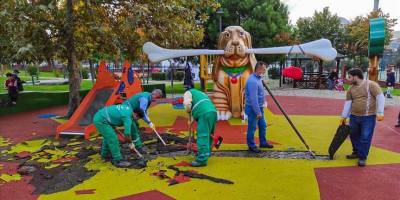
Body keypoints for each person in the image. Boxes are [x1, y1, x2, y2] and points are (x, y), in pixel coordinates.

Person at [340, 68, 385, 167]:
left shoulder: (371, 85)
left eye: (350, 77)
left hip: (368, 117)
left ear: (356, 76)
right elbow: (348, 103)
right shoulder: (351, 89)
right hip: (354, 117)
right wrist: (344, 116)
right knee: (353, 135)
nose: (348, 79)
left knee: (365, 137)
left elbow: (380, 97)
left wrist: (380, 112)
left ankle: (362, 157)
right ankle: (356, 152)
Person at [183, 88, 218, 167]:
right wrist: (190, 120)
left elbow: (187, 104)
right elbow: (197, 105)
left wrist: (188, 111)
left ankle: (202, 160)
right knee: (209, 134)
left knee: (203, 135)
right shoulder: (200, 93)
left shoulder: (187, 93)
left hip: (204, 113)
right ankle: (207, 153)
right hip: (213, 112)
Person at [244, 61, 273, 153]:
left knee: (263, 125)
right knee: (252, 127)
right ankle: (251, 145)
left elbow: (259, 94)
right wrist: (258, 112)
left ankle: (263, 142)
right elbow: (253, 99)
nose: (265, 70)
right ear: (259, 69)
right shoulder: (252, 81)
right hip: (253, 108)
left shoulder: (258, 78)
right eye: (264, 69)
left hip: (259, 107)